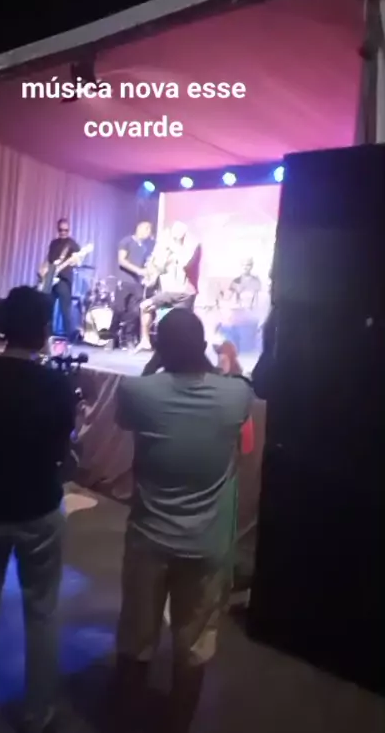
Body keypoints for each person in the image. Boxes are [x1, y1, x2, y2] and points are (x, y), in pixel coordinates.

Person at [114, 309, 253, 732]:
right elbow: (237, 385)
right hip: (207, 545)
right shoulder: (236, 396)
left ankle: (124, 721)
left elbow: (129, 409)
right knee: (194, 646)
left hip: (148, 539)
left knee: (136, 639)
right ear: (204, 346)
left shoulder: (137, 392)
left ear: (159, 348)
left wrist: (156, 361)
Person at [0, 286, 77, 733]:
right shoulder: (58, 386)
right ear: (43, 331)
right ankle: (38, 714)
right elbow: (64, 457)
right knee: (42, 613)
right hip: (39, 508)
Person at [136, 221, 202, 352]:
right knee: (158, 314)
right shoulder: (165, 251)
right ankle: (147, 341)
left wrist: (172, 247)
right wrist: (150, 277)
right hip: (171, 292)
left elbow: (186, 263)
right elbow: (157, 269)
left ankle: (150, 342)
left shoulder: (187, 249)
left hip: (182, 291)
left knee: (148, 307)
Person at [38, 218, 81, 338]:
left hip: (64, 279)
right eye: (61, 230)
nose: (63, 232)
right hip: (50, 277)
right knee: (47, 307)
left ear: (69, 230)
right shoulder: (54, 243)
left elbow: (78, 261)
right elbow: (49, 260)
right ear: (58, 230)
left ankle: (69, 337)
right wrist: (43, 270)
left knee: (65, 309)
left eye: (66, 230)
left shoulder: (72, 244)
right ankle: (47, 336)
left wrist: (75, 261)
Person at [114, 221, 155, 345]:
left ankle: (129, 338)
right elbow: (122, 261)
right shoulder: (126, 241)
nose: (149, 234)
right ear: (140, 229)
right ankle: (112, 336)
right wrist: (138, 271)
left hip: (137, 283)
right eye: (148, 230)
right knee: (119, 309)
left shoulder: (146, 247)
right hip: (124, 281)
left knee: (135, 311)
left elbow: (147, 263)